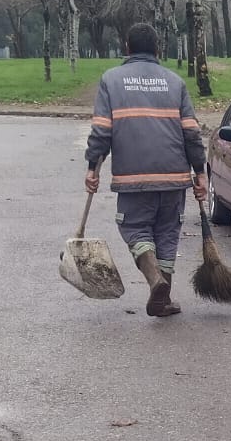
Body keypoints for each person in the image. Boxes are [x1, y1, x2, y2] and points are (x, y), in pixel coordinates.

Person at [84, 22, 206, 319]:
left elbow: (101, 130)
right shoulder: (174, 82)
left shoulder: (111, 80)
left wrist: (92, 167)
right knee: (167, 233)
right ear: (158, 49)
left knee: (135, 228)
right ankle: (163, 299)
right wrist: (200, 172)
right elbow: (191, 132)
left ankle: (155, 282)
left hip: (133, 177)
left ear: (126, 48)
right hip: (174, 177)